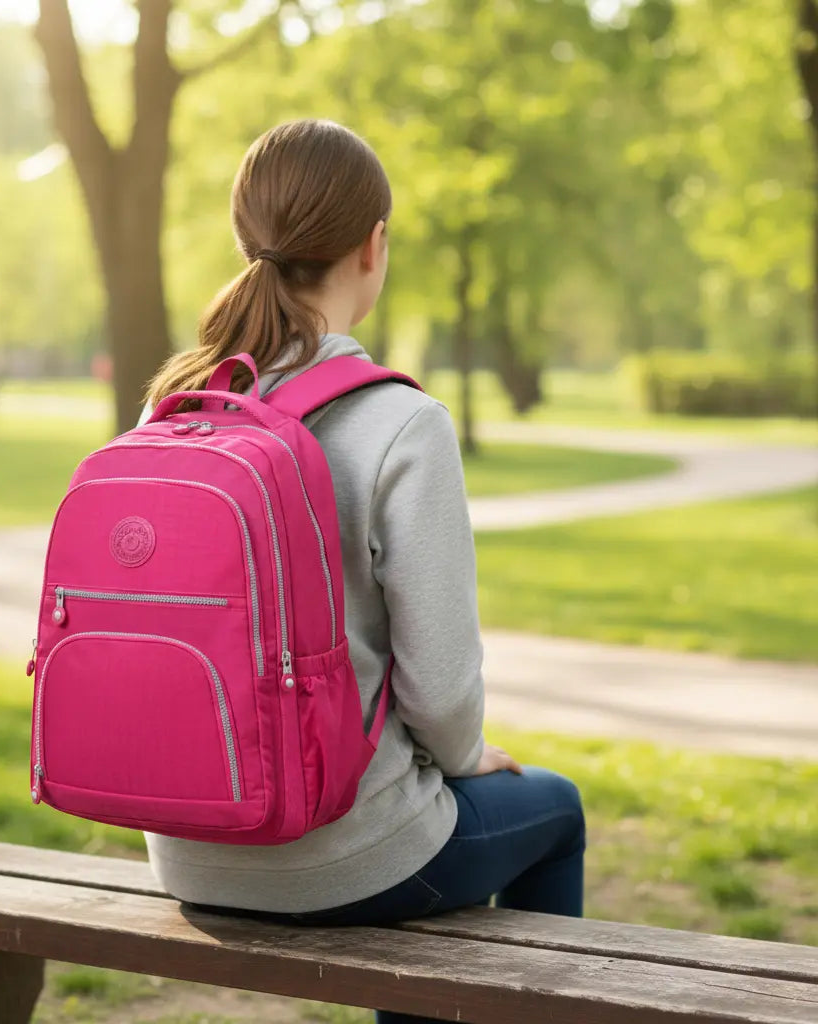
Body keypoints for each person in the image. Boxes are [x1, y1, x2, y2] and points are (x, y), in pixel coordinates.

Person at [143, 119, 585, 1024]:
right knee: (554, 811)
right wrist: (467, 759)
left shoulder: (176, 404)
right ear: (372, 245)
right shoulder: (400, 423)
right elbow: (443, 689)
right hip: (341, 859)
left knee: (422, 840)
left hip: (187, 844)